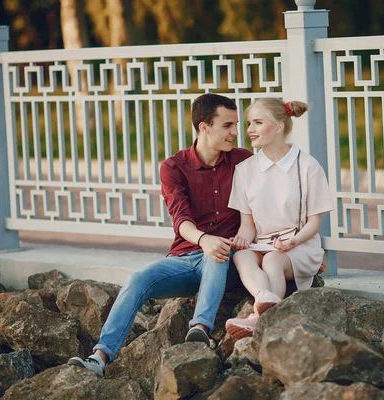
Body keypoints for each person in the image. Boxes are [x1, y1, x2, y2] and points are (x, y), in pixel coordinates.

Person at [67, 93, 252, 376]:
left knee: (217, 254)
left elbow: (272, 202)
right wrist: (204, 239)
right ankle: (100, 357)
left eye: (236, 125)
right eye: (227, 125)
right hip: (186, 257)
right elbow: (181, 220)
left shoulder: (244, 161)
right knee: (138, 279)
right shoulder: (174, 167)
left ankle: (199, 330)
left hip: (226, 257)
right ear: (204, 127)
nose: (235, 133)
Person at [224, 98, 334, 339]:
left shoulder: (307, 166)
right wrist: (242, 239)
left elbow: (314, 224)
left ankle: (258, 318)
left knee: (273, 260)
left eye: (258, 123)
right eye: (249, 123)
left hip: (300, 244)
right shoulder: (245, 170)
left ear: (279, 127)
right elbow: (247, 225)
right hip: (262, 243)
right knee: (242, 256)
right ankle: (266, 300)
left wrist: (292, 243)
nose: (249, 130)